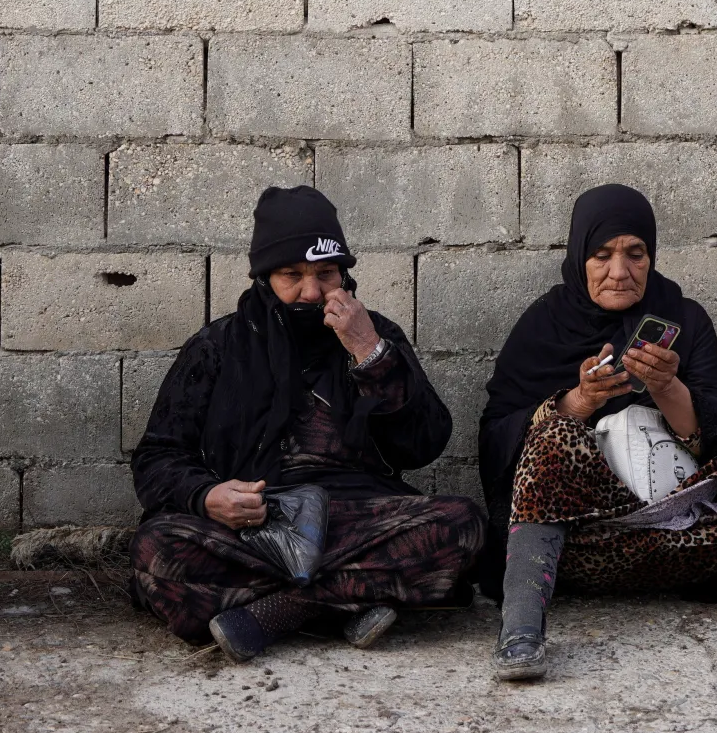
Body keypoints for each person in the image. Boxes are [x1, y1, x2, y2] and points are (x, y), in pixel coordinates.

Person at [479, 184, 717, 682]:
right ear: (578, 257)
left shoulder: (684, 318)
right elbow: (496, 441)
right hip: (590, 550)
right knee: (551, 434)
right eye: (602, 255)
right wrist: (581, 401)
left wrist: (668, 388)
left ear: (652, 256)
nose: (620, 271)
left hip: (697, 543)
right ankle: (522, 626)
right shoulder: (542, 328)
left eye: (635, 254)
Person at [129, 185, 482, 662]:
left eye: (325, 274)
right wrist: (208, 496)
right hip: (257, 527)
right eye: (292, 275)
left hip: (353, 520)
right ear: (264, 278)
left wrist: (370, 352)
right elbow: (157, 458)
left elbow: (424, 444)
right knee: (157, 548)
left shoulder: (377, 334)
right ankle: (358, 596)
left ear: (344, 274)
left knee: (462, 524)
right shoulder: (218, 346)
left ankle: (280, 612)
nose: (312, 292)